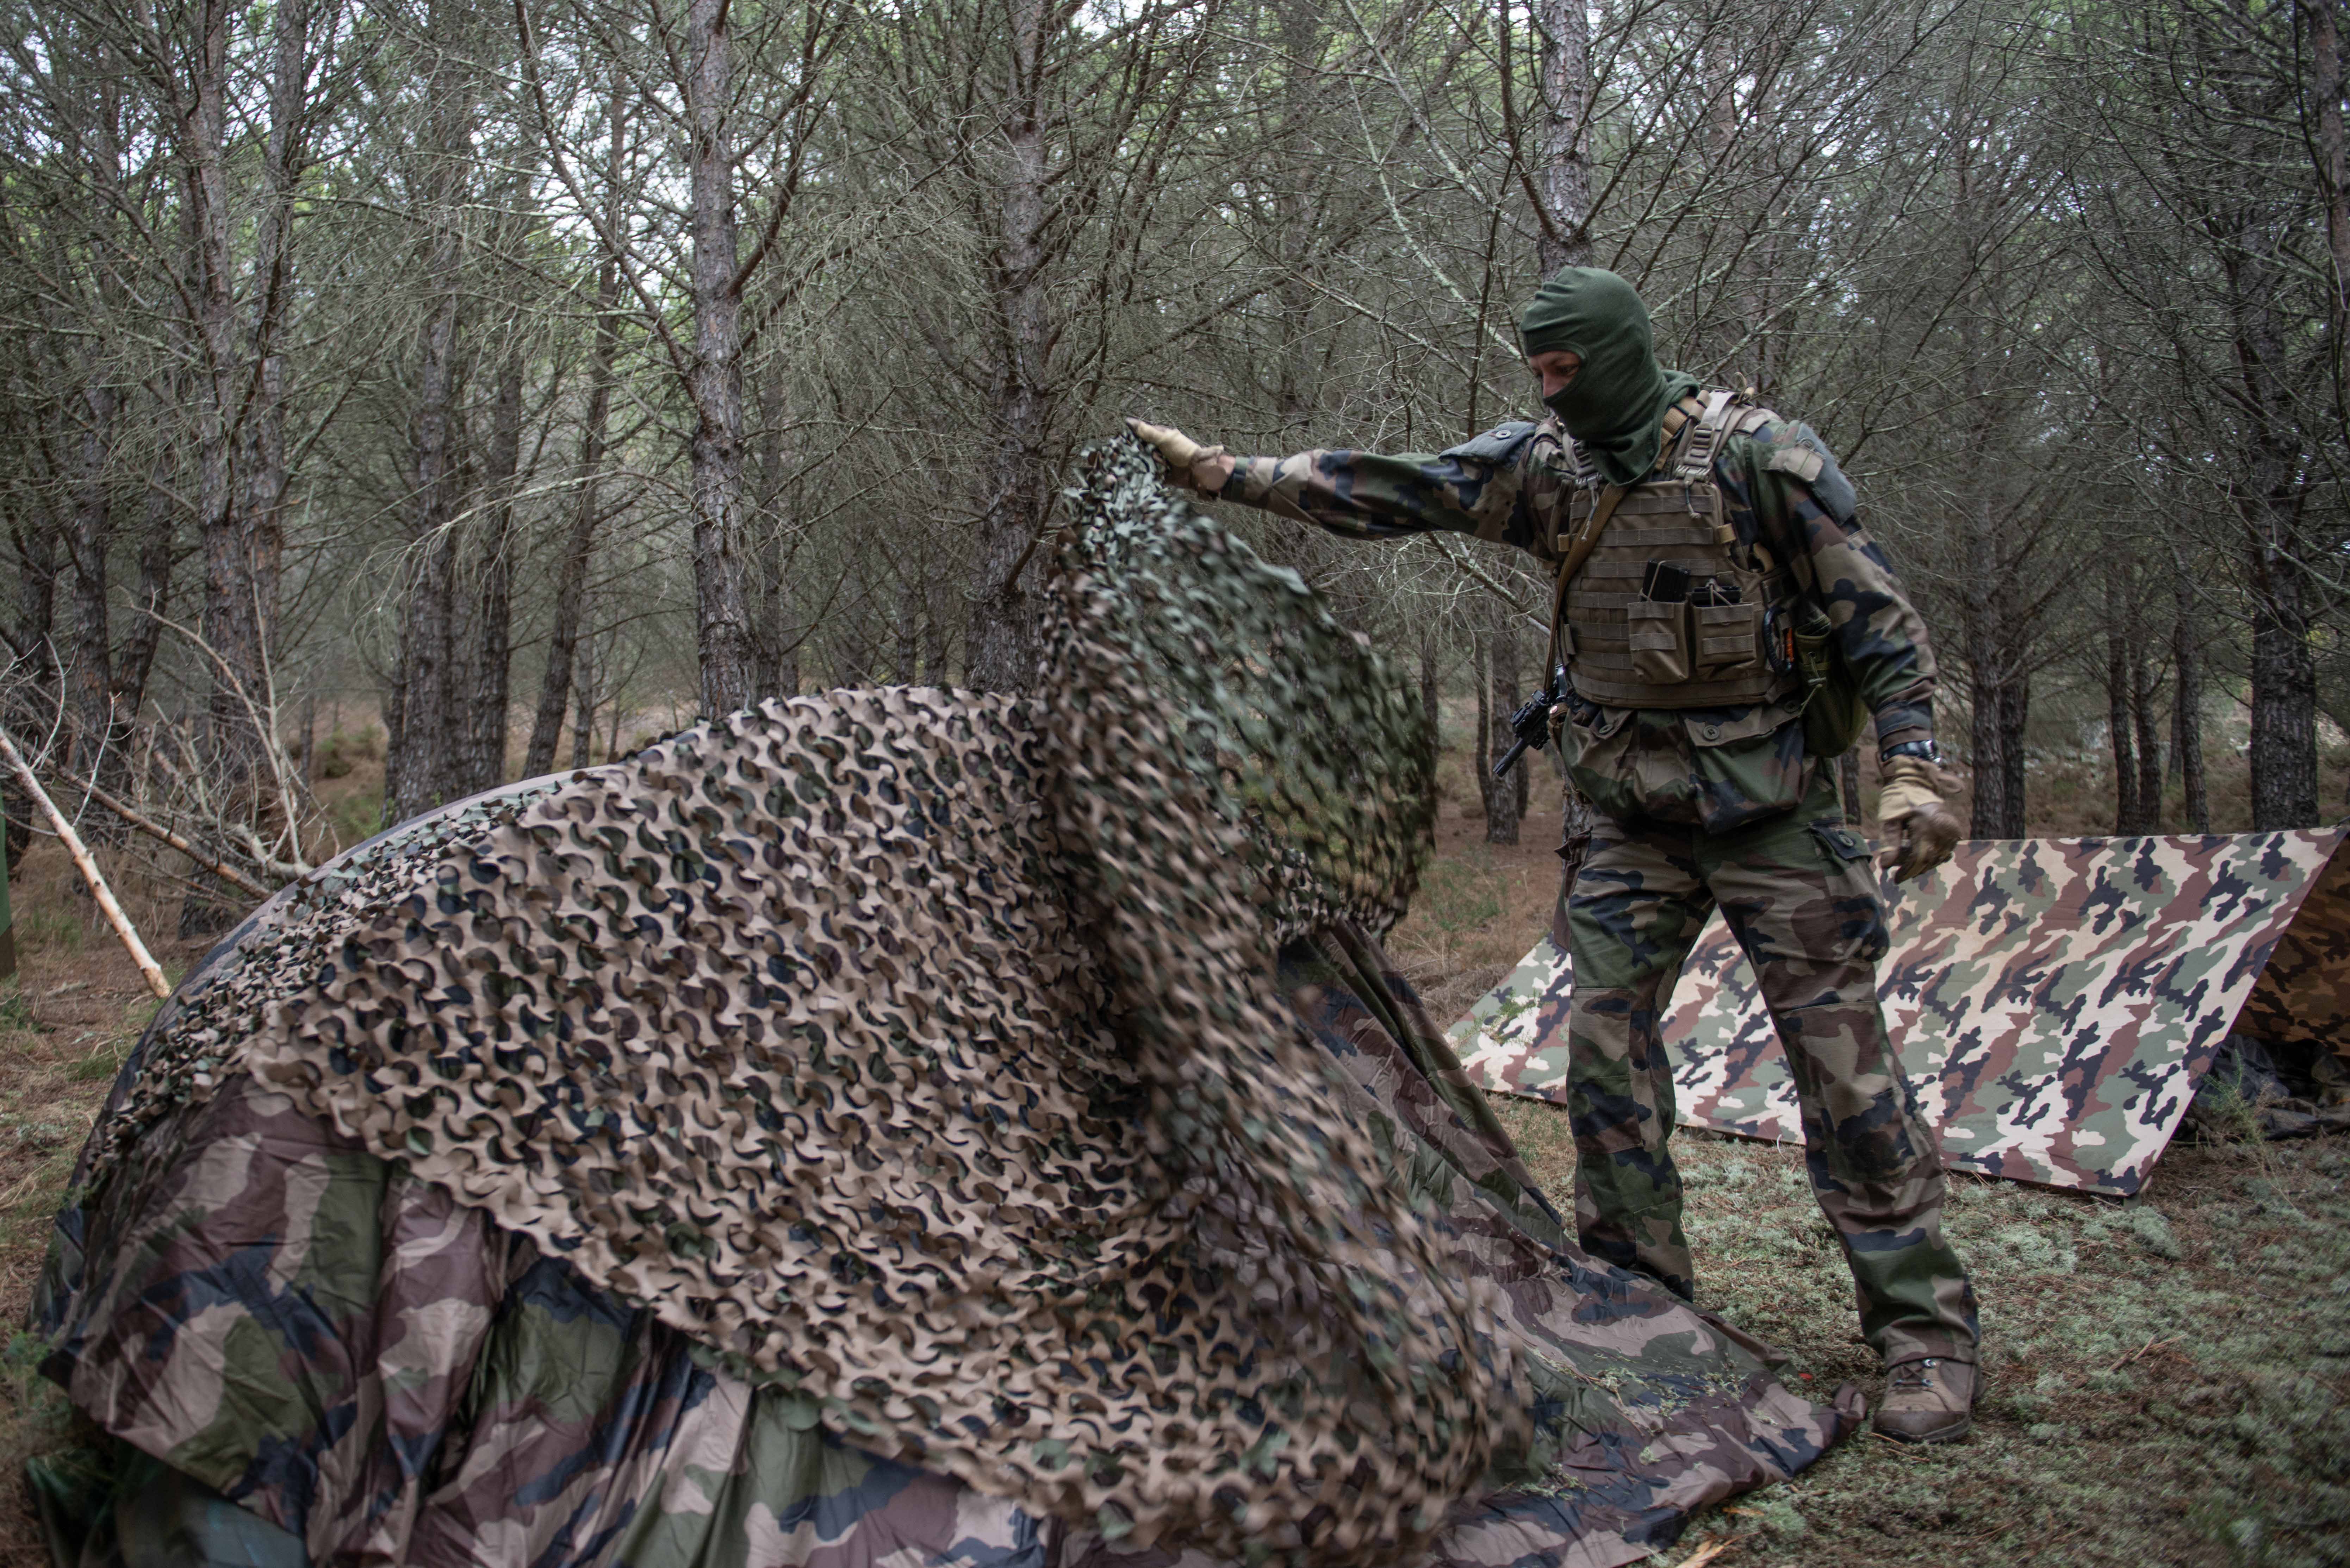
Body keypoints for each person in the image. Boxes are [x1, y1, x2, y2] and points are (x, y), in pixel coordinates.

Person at [1126, 265, 1981, 1444]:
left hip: (1774, 815)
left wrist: (1918, 766)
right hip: (1633, 823)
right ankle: (1647, 1306)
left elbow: (1877, 620)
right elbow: (1400, 490)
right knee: (1602, 1069)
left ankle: (1925, 1335)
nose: (1551, 388)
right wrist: (1226, 475)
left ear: (1621, 353)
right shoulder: (1546, 468)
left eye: (1569, 368)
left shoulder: (1759, 459)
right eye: (1538, 369)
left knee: (1845, 1077)